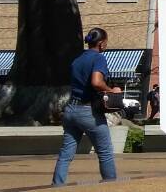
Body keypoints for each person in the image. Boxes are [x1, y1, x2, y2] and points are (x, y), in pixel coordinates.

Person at [52, 27, 121, 185]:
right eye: (106, 43)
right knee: (105, 152)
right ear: (101, 44)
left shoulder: (78, 59)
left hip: (70, 110)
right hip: (88, 111)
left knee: (66, 153)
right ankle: (111, 185)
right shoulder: (98, 58)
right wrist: (112, 90)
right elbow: (96, 82)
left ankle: (57, 185)